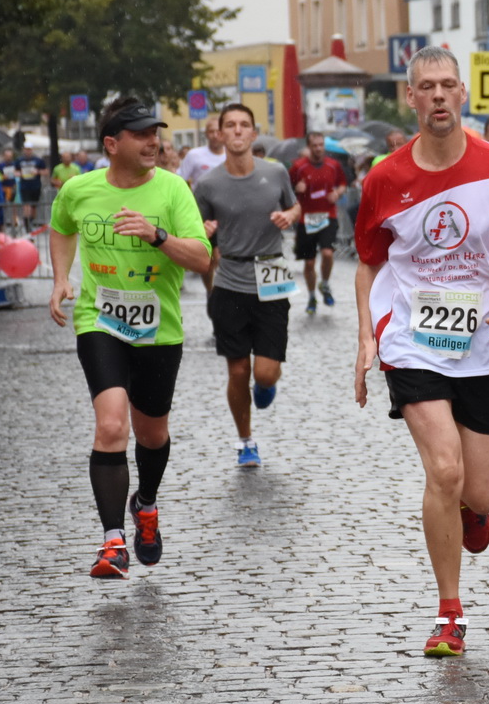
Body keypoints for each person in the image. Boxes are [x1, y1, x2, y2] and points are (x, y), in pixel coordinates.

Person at [353, 47, 489, 658]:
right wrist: (366, 337)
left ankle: (472, 509)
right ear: (410, 98)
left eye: (447, 86)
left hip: (484, 344)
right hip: (411, 340)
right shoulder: (384, 178)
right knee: (444, 469)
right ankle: (449, 613)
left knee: (480, 492)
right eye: (425, 87)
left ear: (463, 94)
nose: (437, 96)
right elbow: (368, 262)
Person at [47, 98, 212, 579]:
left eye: (154, 133)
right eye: (141, 135)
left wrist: (157, 236)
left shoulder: (173, 190)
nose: (152, 142)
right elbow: (60, 228)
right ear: (112, 144)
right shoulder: (79, 189)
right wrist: (60, 278)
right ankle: (112, 541)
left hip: (159, 330)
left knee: (152, 433)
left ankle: (147, 502)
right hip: (100, 321)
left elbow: (202, 259)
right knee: (112, 425)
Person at [193, 103, 302, 468]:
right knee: (237, 369)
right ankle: (245, 441)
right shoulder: (207, 184)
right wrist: (205, 233)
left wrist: (288, 215)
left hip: (271, 278)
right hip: (230, 281)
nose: (237, 131)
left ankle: (266, 384)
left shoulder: (276, 173)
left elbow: (296, 207)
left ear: (254, 134)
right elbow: (196, 233)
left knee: (265, 372)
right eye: (230, 126)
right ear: (220, 134)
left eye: (244, 125)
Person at [290, 131, 346, 314]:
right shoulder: (298, 167)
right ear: (309, 146)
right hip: (307, 218)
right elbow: (287, 188)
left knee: (328, 254)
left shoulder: (333, 165)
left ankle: (326, 284)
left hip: (328, 215)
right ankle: (312, 296)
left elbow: (342, 184)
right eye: (314, 145)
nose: (318, 148)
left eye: (321, 145)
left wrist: (337, 193)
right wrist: (297, 189)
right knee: (309, 263)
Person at [178, 115, 225, 186]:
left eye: (218, 131)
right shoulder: (194, 155)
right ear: (206, 133)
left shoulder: (232, 155)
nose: (215, 135)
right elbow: (180, 180)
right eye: (211, 131)